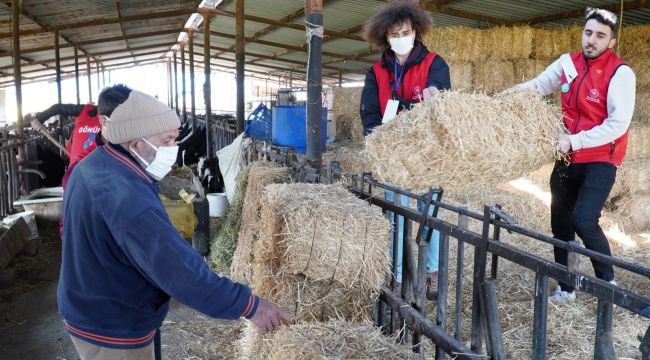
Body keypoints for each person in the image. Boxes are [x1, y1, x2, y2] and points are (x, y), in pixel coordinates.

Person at [58, 87, 292, 360]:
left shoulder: (94, 165)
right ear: (137, 144)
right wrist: (249, 305)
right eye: (167, 140)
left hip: (90, 302)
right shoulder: (127, 198)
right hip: (112, 326)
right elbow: (179, 272)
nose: (173, 149)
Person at [516, 7, 636, 301]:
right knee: (562, 223)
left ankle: (608, 283)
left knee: (585, 221)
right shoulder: (568, 64)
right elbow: (538, 86)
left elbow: (618, 124)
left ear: (611, 42)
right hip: (568, 156)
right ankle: (567, 285)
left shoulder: (620, 73)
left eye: (600, 36)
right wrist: (506, 97)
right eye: (588, 33)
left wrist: (576, 140)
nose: (591, 40)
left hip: (600, 157)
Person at [359, 0, 451, 300]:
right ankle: (399, 275)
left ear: (416, 31)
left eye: (407, 31)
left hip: (427, 151)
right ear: (386, 36)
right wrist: (380, 138)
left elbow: (443, 98)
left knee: (429, 212)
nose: (402, 36)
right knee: (396, 214)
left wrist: (434, 95)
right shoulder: (376, 71)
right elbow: (369, 113)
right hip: (393, 153)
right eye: (396, 32)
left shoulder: (434, 63)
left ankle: (431, 271)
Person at [26, 103, 100, 189]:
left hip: (97, 173)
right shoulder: (85, 111)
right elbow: (57, 108)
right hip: (76, 171)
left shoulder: (114, 126)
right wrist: (40, 119)